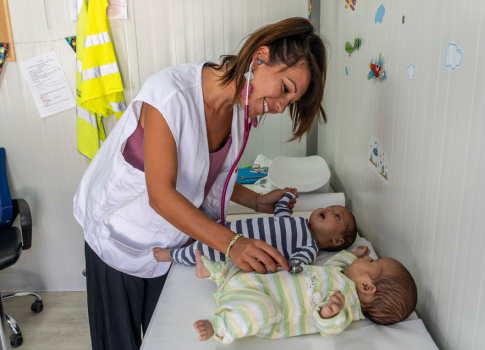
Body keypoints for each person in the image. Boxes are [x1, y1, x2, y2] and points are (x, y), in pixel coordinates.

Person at [73, 17, 327, 350]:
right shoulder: (170, 96)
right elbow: (162, 196)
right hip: (119, 237)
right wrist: (233, 243)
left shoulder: (237, 112)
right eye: (285, 90)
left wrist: (255, 201)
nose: (280, 107)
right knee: (117, 342)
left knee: (161, 337)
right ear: (260, 57)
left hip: (168, 242)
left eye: (289, 102)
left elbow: (204, 173)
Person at [192, 246, 417, 343]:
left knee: (262, 310)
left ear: (367, 287)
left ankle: (221, 325)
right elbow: (334, 263)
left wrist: (329, 314)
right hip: (263, 283)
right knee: (244, 267)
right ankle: (216, 273)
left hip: (271, 310)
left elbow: (332, 329)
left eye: (372, 262)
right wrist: (350, 254)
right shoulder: (340, 274)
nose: (367, 258)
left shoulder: (347, 305)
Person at [152, 190, 357, 265]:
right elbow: (281, 213)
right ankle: (188, 238)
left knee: (202, 250)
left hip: (235, 248)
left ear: (337, 240)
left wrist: (289, 267)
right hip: (232, 229)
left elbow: (295, 265)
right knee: (207, 227)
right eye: (330, 208)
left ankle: (172, 255)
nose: (328, 210)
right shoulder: (300, 221)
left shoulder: (310, 247)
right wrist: (286, 197)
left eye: (336, 215)